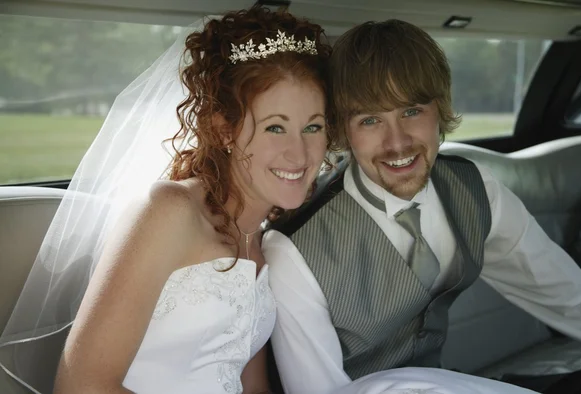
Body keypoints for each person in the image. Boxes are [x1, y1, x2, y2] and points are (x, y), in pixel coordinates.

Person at [0, 6, 332, 394]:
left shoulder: (257, 238)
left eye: (313, 126)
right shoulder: (169, 211)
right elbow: (81, 385)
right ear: (224, 130)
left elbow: (248, 384)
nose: (300, 153)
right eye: (276, 127)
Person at [263, 18, 581, 394]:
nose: (398, 143)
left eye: (412, 111)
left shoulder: (475, 190)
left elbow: (568, 297)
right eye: (370, 120)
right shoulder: (294, 250)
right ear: (342, 129)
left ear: (439, 110)